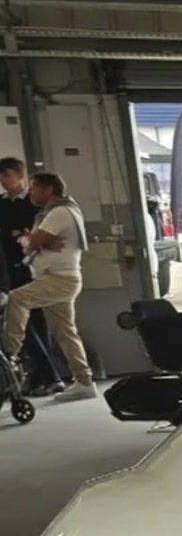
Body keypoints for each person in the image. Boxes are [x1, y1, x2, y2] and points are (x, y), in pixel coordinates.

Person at [5, 171, 95, 402]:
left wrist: (30, 239)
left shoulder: (59, 212)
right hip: (58, 278)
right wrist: (34, 240)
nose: (31, 192)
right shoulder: (55, 212)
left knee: (16, 299)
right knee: (65, 332)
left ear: (48, 190)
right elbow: (35, 242)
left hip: (58, 279)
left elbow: (32, 242)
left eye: (34, 188)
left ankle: (9, 352)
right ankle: (84, 382)